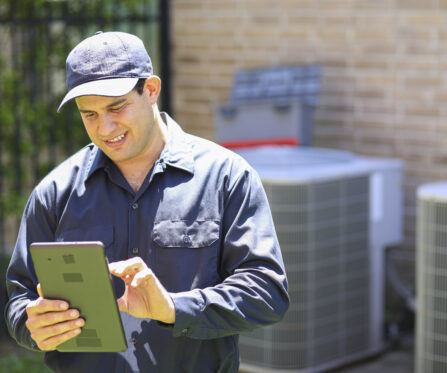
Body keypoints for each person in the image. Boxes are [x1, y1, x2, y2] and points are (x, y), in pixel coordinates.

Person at [4, 31, 289, 372]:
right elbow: (19, 301)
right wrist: (32, 324)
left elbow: (266, 292)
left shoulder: (227, 177)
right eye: (89, 114)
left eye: (116, 107)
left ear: (151, 90)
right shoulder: (54, 193)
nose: (105, 127)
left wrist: (172, 308)